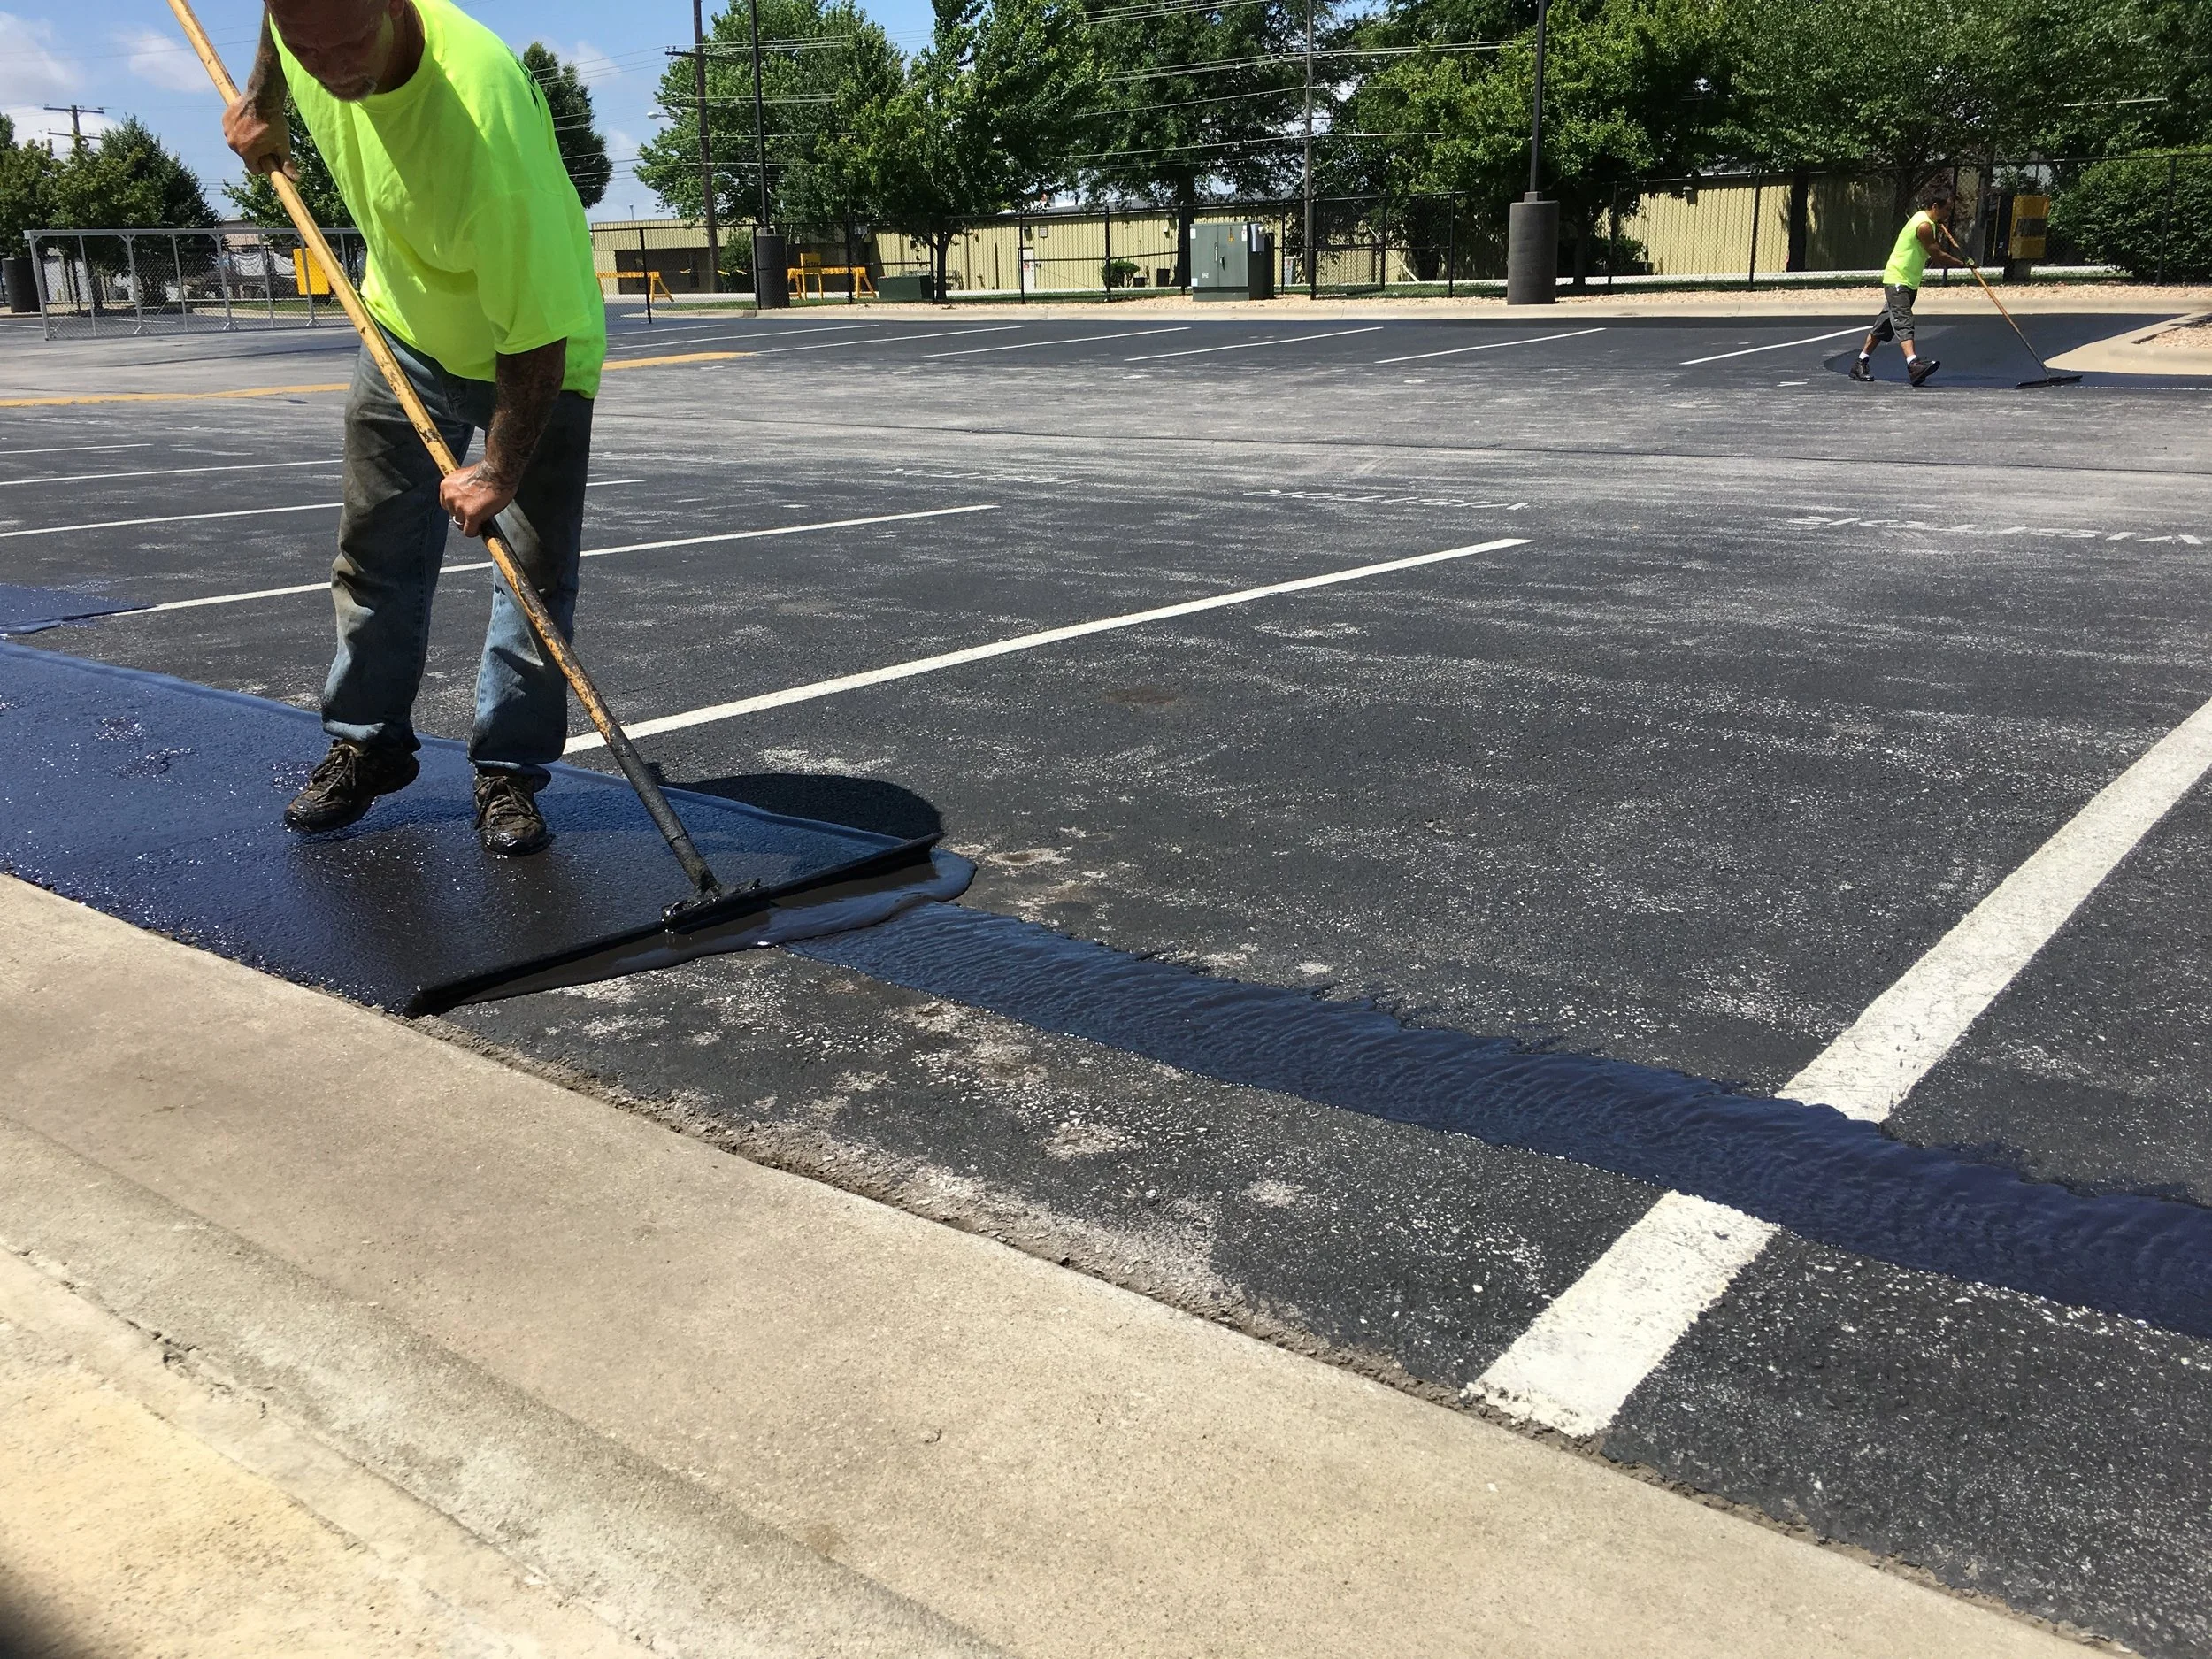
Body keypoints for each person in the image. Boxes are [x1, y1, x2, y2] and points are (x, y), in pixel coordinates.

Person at [223, 0, 607, 856]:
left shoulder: (483, 123)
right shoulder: (307, 33)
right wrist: (265, 95)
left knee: (532, 573)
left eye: (348, 40)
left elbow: (537, 338)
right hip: (405, 327)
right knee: (376, 547)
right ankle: (368, 743)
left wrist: (499, 473)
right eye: (306, 46)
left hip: (538, 346)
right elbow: (288, 31)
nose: (330, 66)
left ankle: (507, 770)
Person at [1851, 187, 1965, 387]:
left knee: (1883, 326)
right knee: (1904, 321)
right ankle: (1913, 365)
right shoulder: (1923, 226)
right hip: (1898, 279)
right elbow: (1937, 255)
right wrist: (1963, 263)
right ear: (1935, 206)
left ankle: (1860, 362)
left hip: (1909, 280)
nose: (1948, 214)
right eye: (1947, 210)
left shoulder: (1930, 222)